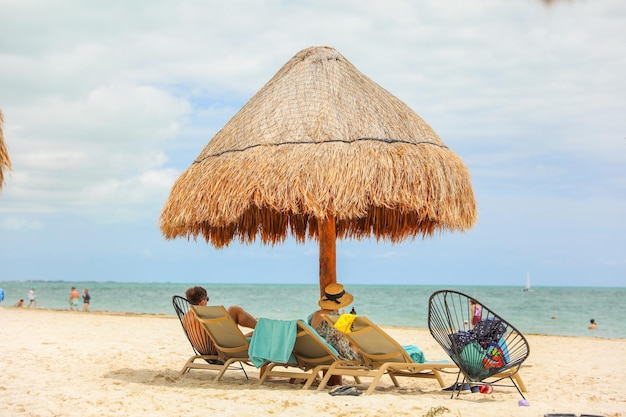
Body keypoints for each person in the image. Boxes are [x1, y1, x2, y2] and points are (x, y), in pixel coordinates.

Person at [183, 286, 258, 358]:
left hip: (206, 351)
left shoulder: (185, 318)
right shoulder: (205, 316)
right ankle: (261, 326)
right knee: (234, 310)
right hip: (222, 352)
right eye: (207, 299)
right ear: (202, 302)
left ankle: (261, 328)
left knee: (256, 333)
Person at [309, 283, 361, 386]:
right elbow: (342, 341)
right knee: (358, 344)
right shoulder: (335, 318)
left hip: (317, 351)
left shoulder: (315, 314)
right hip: (334, 354)